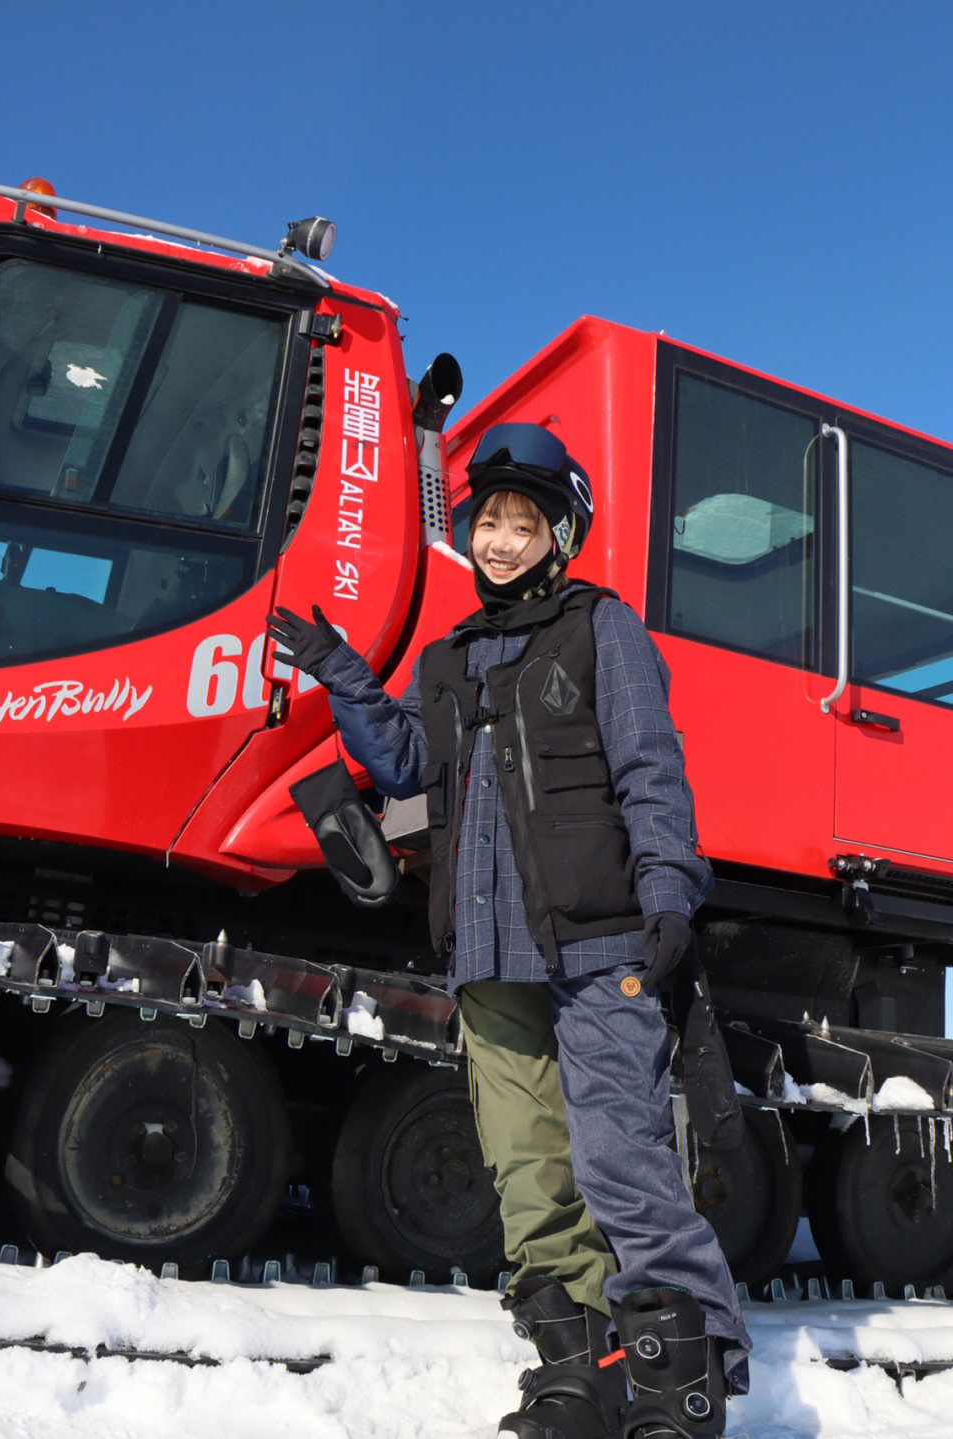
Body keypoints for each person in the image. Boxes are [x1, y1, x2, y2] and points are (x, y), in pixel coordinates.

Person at [267, 422, 751, 1439]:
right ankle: (580, 1377)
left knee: (621, 1160)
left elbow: (649, 766)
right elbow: (404, 764)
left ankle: (684, 1389)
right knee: (530, 1177)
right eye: (488, 520)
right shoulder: (449, 659)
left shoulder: (600, 629)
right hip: (488, 955)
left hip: (598, 943)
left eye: (522, 522)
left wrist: (669, 890)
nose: (498, 538)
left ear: (558, 533)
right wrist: (344, 672)